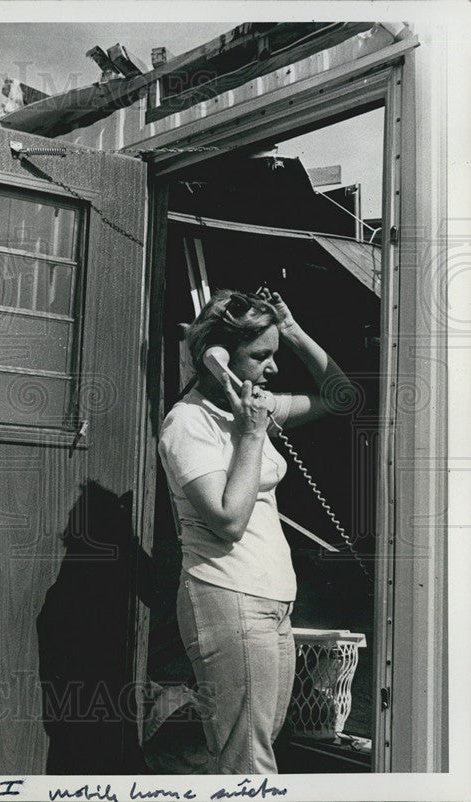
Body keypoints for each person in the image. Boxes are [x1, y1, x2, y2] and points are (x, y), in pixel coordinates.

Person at [157, 287, 347, 774]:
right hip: (229, 594)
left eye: (273, 354)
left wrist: (292, 331)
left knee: (254, 744)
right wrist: (252, 434)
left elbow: (342, 397)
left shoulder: (248, 409)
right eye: (260, 355)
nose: (273, 367)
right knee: (249, 759)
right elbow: (227, 521)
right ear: (217, 356)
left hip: (272, 602)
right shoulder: (189, 423)